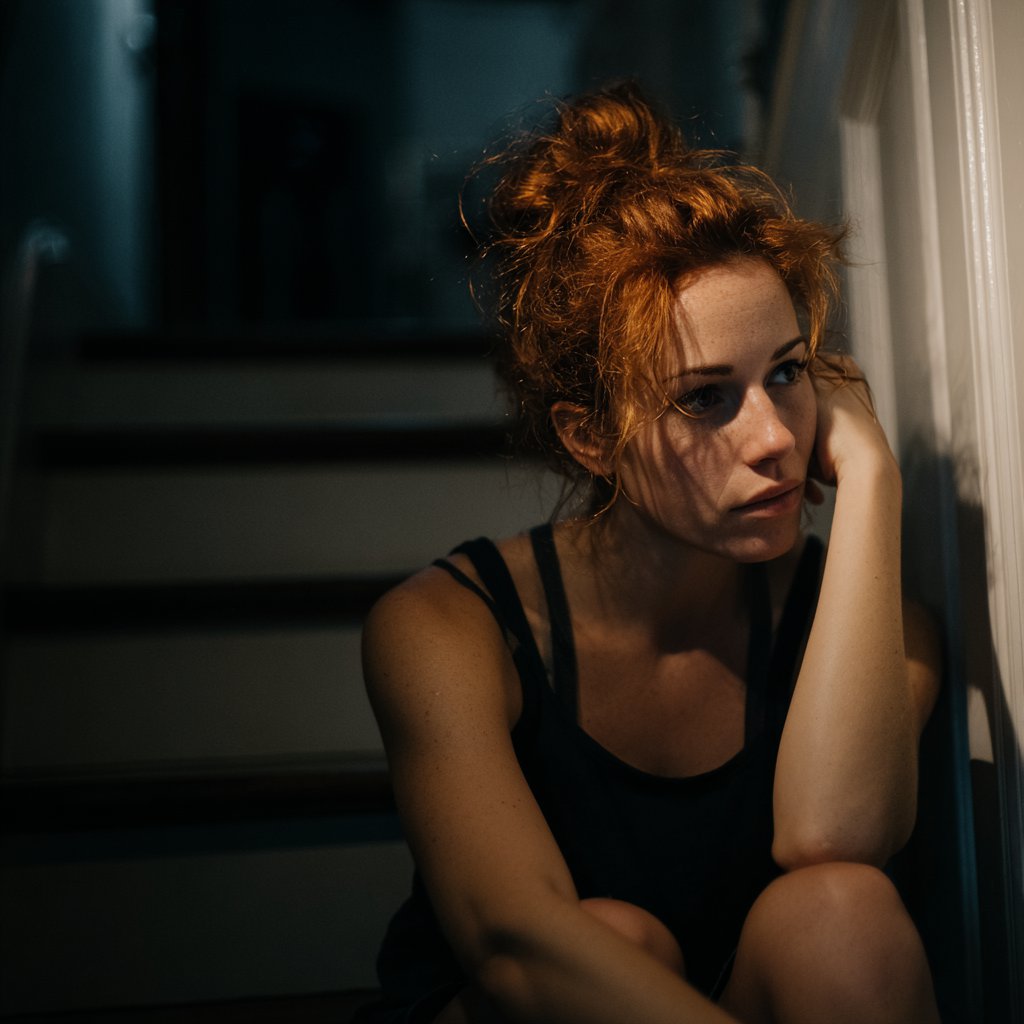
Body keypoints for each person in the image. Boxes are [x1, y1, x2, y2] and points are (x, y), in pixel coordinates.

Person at [357, 81, 942, 1024]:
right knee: (617, 936)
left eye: (787, 373)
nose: (775, 439)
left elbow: (835, 836)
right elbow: (516, 949)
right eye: (705, 398)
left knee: (842, 913)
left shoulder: (870, 626)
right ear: (591, 437)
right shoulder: (445, 627)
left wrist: (873, 477)